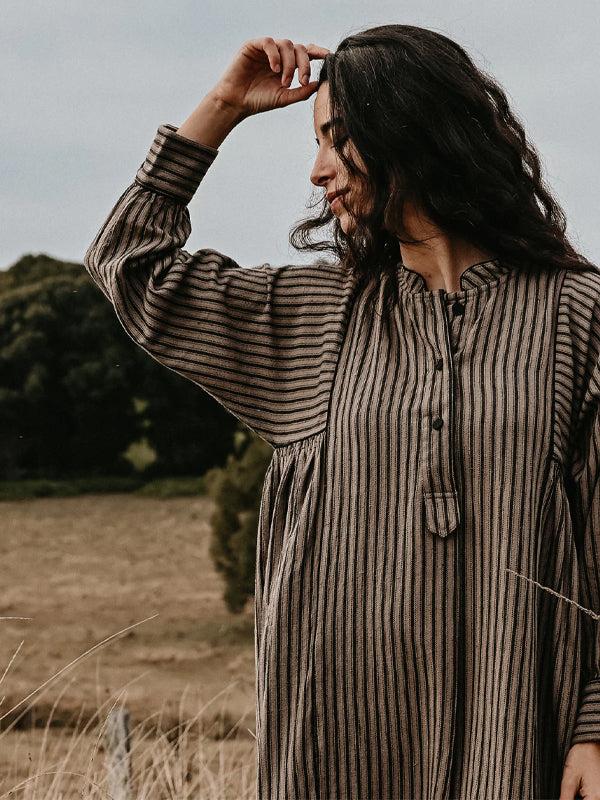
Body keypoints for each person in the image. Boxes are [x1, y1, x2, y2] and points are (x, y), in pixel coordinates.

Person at [85, 25, 600, 800]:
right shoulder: (315, 319)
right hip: (338, 754)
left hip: (518, 743)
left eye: (336, 139)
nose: (317, 169)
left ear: (410, 131)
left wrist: (593, 725)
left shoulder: (576, 315)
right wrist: (223, 105)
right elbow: (130, 266)